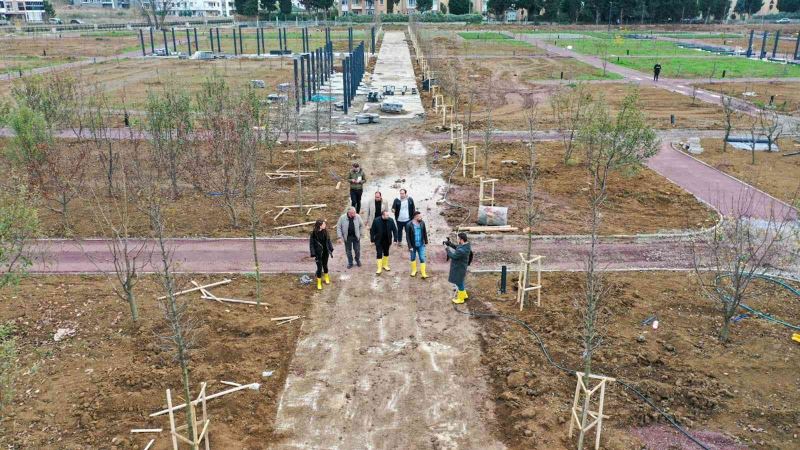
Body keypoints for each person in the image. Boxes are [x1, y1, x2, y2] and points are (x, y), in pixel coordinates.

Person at [445, 232, 472, 304]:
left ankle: (460, 299)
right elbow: (457, 247)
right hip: (461, 267)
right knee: (461, 281)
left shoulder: (462, 251)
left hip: (459, 268)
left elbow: (453, 256)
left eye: (458, 238)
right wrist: (450, 244)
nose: (457, 240)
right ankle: (464, 295)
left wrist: (447, 248)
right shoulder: (466, 245)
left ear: (461, 240)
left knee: (459, 283)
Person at [309, 219, 334, 290]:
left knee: (325, 266)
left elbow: (328, 241)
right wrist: (313, 253)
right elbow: (311, 244)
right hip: (318, 253)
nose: (325, 225)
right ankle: (319, 282)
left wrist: (331, 248)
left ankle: (326, 277)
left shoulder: (325, 231)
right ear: (320, 226)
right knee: (319, 268)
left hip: (326, 252)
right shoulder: (313, 233)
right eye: (324, 224)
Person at [370, 209, 397, 275]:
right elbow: (372, 230)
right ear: (383, 215)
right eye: (387, 215)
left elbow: (395, 230)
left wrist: (395, 239)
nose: (388, 216)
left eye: (388, 215)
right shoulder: (376, 220)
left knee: (386, 253)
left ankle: (385, 265)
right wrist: (372, 240)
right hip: (379, 240)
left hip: (387, 240)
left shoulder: (391, 220)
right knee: (379, 253)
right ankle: (379, 268)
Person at [405, 211, 428, 279]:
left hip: (421, 244)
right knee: (413, 258)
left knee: (422, 258)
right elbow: (407, 236)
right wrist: (410, 246)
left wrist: (426, 242)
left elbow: (424, 232)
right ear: (415, 217)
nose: (421, 217)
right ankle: (414, 271)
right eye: (420, 216)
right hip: (413, 245)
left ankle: (423, 273)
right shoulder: (409, 224)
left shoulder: (422, 223)